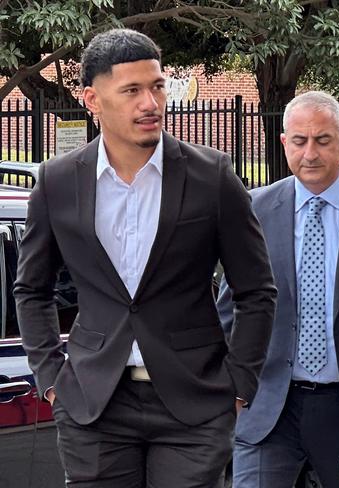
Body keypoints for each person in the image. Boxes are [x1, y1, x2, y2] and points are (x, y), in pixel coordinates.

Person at [14, 28, 276, 488]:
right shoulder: (56, 183)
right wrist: (52, 378)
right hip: (94, 403)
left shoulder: (211, 176)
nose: (151, 103)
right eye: (132, 91)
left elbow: (256, 290)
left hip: (195, 403)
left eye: (156, 86)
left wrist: (239, 384)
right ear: (92, 99)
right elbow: (32, 290)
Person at [217, 91, 339, 488]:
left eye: (323, 140)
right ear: (284, 142)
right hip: (268, 409)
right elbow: (228, 311)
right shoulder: (252, 210)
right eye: (300, 141)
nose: (311, 153)